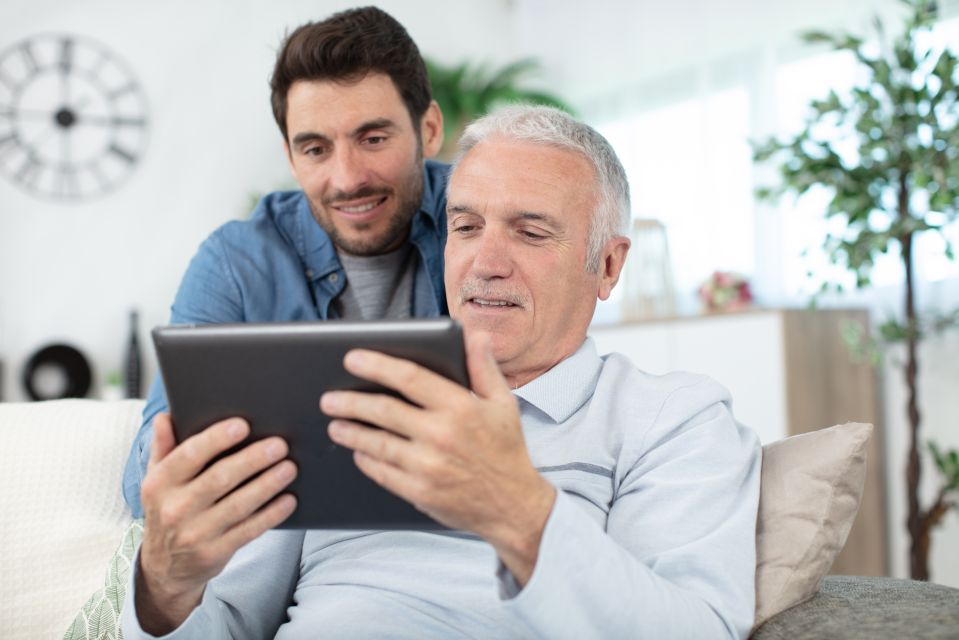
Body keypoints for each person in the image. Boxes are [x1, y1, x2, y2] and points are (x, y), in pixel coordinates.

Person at [121, 105, 763, 639]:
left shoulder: (673, 418)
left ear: (609, 266)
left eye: (530, 232)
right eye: (466, 226)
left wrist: (513, 507)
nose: (484, 263)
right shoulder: (338, 397)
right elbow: (224, 622)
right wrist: (165, 588)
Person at [121, 6, 448, 518]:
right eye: (316, 149)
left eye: (373, 139)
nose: (346, 178)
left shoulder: (479, 217)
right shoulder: (234, 262)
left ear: (428, 130)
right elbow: (147, 481)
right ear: (291, 157)